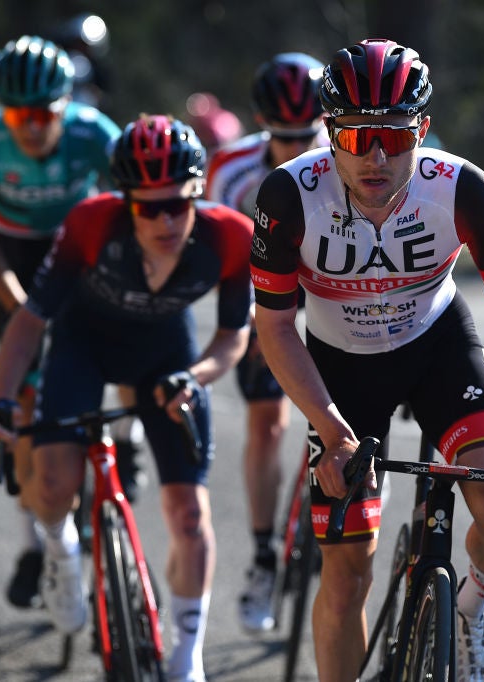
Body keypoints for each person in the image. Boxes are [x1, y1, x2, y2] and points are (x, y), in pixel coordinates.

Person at [250, 39, 484, 682]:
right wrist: (334, 433)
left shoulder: (461, 189)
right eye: (356, 139)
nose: (376, 157)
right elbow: (275, 327)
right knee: (346, 575)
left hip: (437, 350)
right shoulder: (288, 196)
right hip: (340, 369)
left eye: (395, 138)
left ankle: (470, 611)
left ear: (422, 130)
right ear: (330, 133)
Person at [0, 114, 253, 682]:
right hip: (83, 346)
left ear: (198, 191)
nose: (164, 219)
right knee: (53, 486)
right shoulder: (90, 223)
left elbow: (234, 337)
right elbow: (30, 321)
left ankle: (187, 653)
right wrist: (2, 400)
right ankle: (59, 551)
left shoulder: (230, 237)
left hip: (166, 357)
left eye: (176, 204)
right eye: (147, 207)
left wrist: (195, 376)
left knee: (187, 513)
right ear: (124, 200)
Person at [0, 35, 145, 611]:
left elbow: (134, 211)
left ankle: (127, 437)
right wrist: (15, 299)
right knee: (25, 403)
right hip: (14, 256)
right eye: (19, 114)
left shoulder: (96, 134)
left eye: (44, 114)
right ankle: (34, 546)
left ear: (67, 106)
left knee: (125, 336)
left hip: (79, 246)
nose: (31, 127)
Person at [204, 51, 327, 633]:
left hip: (334, 291)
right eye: (283, 137)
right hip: (263, 294)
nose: (297, 148)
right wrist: (255, 324)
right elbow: (222, 257)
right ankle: (260, 555)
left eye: (307, 135)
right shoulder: (231, 171)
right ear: (262, 124)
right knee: (268, 425)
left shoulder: (348, 157)